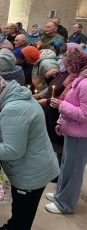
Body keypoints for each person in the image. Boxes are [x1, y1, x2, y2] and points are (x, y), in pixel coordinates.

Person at [0, 74, 59, 230]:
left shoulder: (14, 109)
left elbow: (12, 151)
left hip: (30, 173)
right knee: (20, 209)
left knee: (23, 214)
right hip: (33, 165)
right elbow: (13, 131)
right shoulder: (16, 98)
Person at [45, 47, 87, 214]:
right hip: (71, 129)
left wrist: (61, 106)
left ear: (76, 65)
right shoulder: (76, 79)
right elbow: (72, 103)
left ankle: (65, 204)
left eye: (68, 66)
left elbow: (84, 113)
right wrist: (61, 122)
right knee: (66, 165)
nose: (65, 69)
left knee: (74, 169)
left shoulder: (84, 84)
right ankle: (60, 195)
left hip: (81, 134)